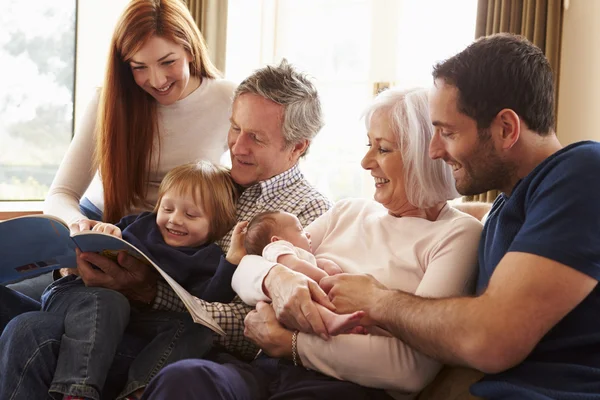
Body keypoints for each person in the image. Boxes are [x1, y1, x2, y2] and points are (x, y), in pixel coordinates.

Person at [0, 60, 332, 399]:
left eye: (256, 138)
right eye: (235, 128)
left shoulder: (308, 214)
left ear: (298, 146)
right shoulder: (212, 180)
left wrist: (147, 292)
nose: (237, 147)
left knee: (33, 335)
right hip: (119, 315)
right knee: (27, 327)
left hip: (178, 344)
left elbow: (258, 326)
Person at [140, 87, 484, 400]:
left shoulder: (457, 235)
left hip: (344, 388)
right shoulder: (349, 211)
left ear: (427, 155)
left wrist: (292, 344)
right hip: (267, 371)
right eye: (369, 146)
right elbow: (246, 267)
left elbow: (410, 369)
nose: (365, 162)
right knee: (184, 380)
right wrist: (276, 278)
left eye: (382, 149)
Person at [320, 34, 600, 399]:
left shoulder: (582, 173)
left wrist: (377, 301)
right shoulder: (509, 206)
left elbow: (491, 338)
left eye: (448, 133)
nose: (434, 151)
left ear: (506, 129)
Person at [8, 0, 236, 300]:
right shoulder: (108, 101)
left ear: (190, 50)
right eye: (139, 67)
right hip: (99, 228)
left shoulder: (227, 98)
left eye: (168, 62)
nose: (156, 80)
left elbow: (244, 185)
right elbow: (61, 194)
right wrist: (79, 226)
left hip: (166, 243)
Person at [39, 161, 244, 400]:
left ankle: (138, 391)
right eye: (167, 209)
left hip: (141, 317)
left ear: (216, 224)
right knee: (106, 302)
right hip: (88, 297)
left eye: (190, 215)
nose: (174, 220)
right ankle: (77, 393)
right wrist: (104, 233)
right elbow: (100, 244)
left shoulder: (208, 258)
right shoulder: (140, 224)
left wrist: (231, 262)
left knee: (198, 331)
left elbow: (208, 301)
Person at [243, 210, 363, 335]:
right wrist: (325, 278)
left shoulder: (298, 254)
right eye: (300, 229)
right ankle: (332, 321)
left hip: (299, 311)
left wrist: (328, 265)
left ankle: (343, 328)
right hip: (291, 304)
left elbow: (310, 264)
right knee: (309, 301)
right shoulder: (275, 249)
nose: (308, 234)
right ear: (276, 240)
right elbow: (294, 265)